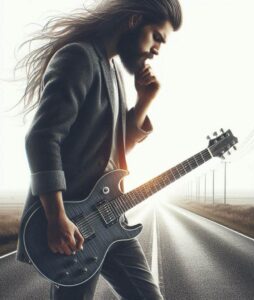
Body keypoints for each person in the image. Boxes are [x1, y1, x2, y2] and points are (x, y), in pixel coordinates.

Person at [15, 0, 182, 299]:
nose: (157, 49)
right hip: (74, 222)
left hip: (108, 216)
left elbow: (114, 155)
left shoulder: (112, 69)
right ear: (133, 21)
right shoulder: (79, 57)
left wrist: (144, 102)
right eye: (156, 36)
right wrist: (56, 217)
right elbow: (42, 138)